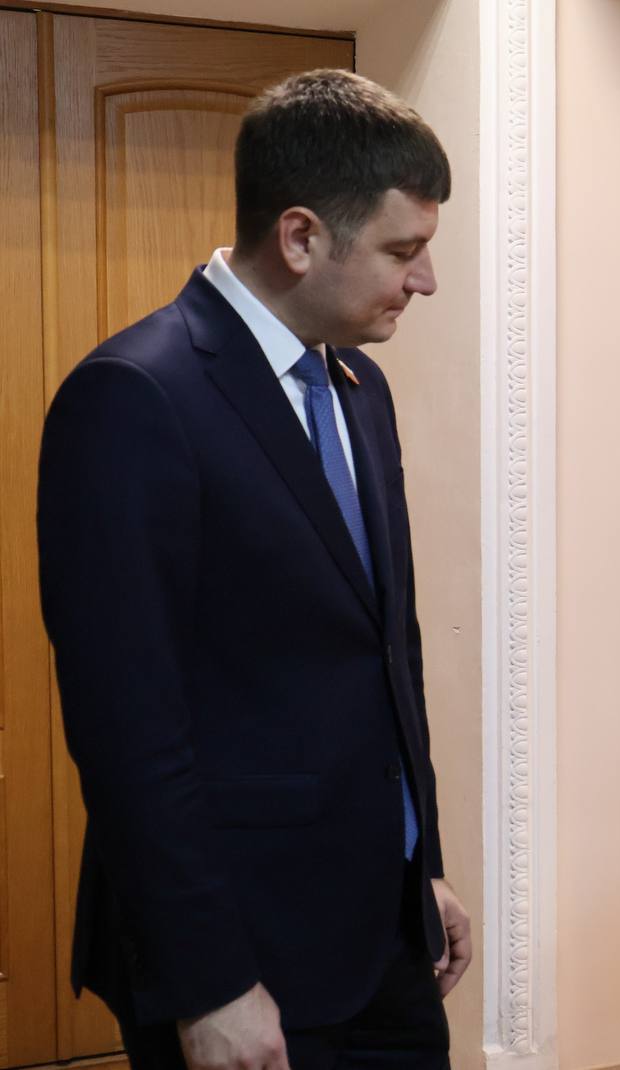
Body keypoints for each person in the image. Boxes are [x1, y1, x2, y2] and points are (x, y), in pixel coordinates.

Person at [37, 69, 468, 1070]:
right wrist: (209, 980)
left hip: (385, 937)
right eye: (403, 250)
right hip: (243, 959)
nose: (425, 280)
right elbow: (127, 729)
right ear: (301, 236)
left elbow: (385, 656)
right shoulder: (133, 396)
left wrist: (421, 869)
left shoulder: (359, 388)